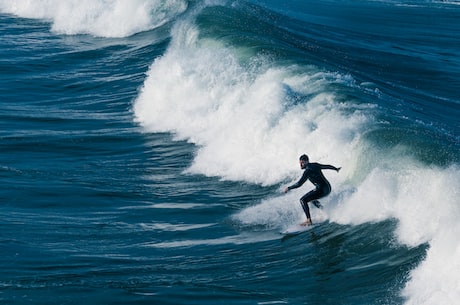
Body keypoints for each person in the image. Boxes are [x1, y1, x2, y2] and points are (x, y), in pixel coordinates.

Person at [284, 154, 341, 226]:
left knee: (303, 200)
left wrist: (289, 188)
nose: (301, 165)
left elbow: (299, 184)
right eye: (300, 163)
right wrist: (336, 169)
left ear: (307, 161)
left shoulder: (307, 171)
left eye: (302, 163)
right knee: (311, 199)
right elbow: (327, 166)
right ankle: (325, 211)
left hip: (321, 190)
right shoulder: (315, 165)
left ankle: (308, 220)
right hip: (328, 188)